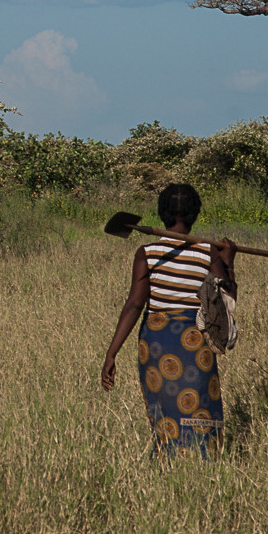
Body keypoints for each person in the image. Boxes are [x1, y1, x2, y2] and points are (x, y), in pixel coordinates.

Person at [101, 183, 237, 459]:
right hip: (194, 340)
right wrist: (229, 261)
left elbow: (135, 304)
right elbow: (227, 300)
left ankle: (168, 460)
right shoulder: (208, 252)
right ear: (195, 213)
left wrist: (111, 352)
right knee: (200, 401)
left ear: (162, 214)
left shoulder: (147, 253)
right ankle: (204, 461)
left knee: (164, 405)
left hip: (156, 342)